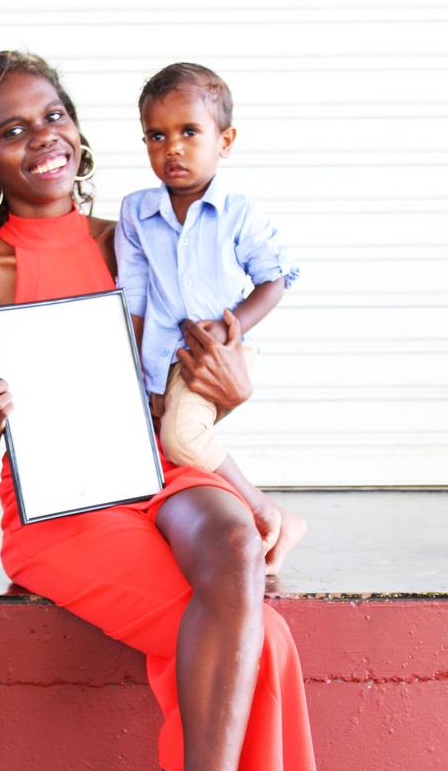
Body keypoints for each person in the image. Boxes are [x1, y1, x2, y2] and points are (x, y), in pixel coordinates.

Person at [0, 51, 322, 771]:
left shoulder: (135, 233)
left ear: (78, 129)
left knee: (234, 548)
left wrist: (228, 391)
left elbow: (185, 369)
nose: (43, 139)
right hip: (62, 507)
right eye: (13, 129)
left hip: (159, 467)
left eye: (54, 116)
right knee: (256, 643)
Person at [116, 63, 307, 572]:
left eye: (189, 132)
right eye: (156, 136)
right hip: (162, 355)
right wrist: (139, 377)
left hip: (219, 352)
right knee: (158, 443)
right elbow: (133, 298)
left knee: (182, 438)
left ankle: (267, 511)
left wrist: (232, 326)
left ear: (225, 140)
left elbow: (276, 279)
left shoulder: (239, 213)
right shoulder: (136, 213)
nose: (171, 148)